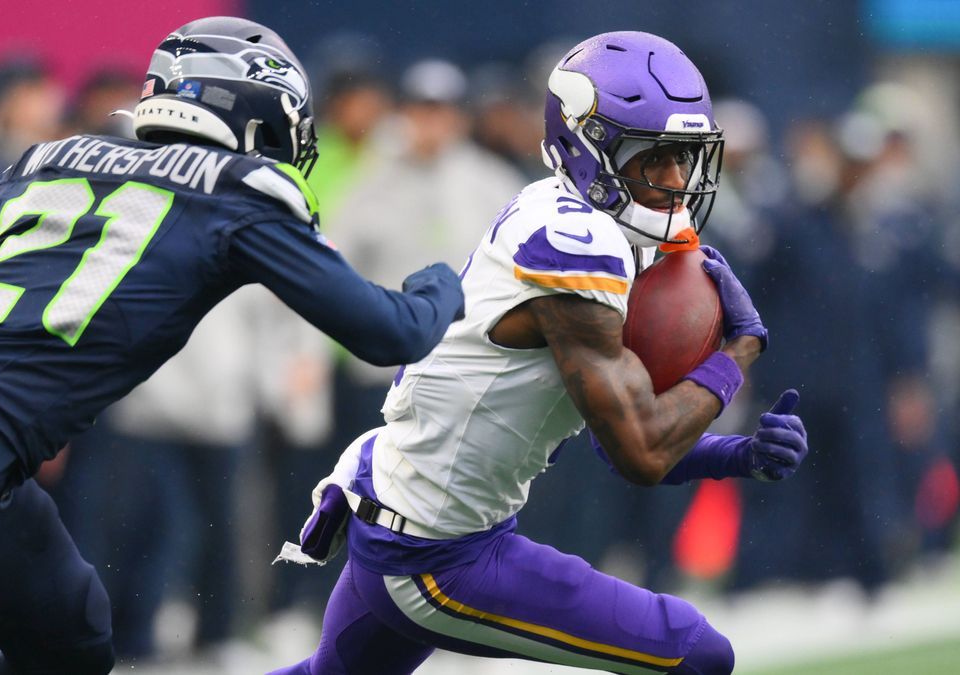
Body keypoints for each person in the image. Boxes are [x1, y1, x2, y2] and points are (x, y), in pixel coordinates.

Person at [0, 16, 464, 675]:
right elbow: (391, 331)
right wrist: (445, 281)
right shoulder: (236, 196)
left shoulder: (52, 160)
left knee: (71, 648)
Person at [272, 32, 809, 675]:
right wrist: (736, 355)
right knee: (698, 653)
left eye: (685, 159)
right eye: (653, 159)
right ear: (589, 151)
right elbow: (640, 451)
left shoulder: (574, 217)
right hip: (439, 552)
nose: (674, 183)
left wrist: (737, 454)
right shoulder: (577, 242)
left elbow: (613, 436)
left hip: (401, 502)